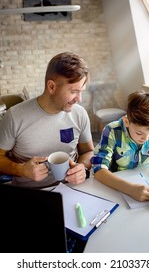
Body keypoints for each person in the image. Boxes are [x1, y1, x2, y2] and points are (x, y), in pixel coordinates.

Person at [0, 52, 94, 188]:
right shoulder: (14, 116)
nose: (79, 99)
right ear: (52, 87)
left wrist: (82, 167)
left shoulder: (79, 114)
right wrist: (22, 170)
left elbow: (88, 152)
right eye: (73, 91)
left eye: (81, 91)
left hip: (72, 190)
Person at [91, 90, 149, 210]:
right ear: (126, 122)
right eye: (139, 132)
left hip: (148, 186)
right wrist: (130, 189)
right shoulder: (112, 131)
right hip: (117, 190)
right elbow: (98, 169)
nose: (145, 138)